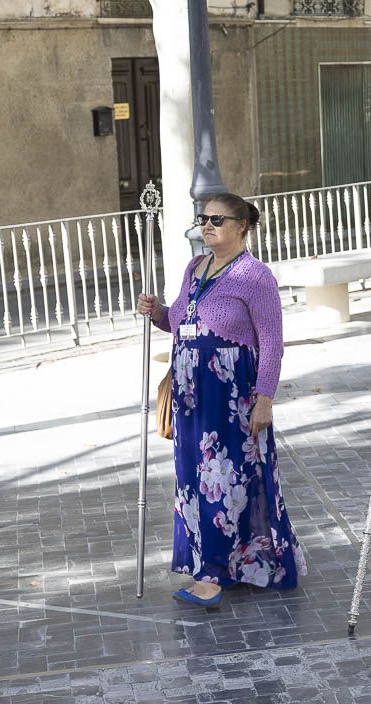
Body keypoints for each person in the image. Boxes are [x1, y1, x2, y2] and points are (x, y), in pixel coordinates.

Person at [137, 193, 304, 606]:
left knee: (228, 480)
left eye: (217, 219)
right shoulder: (195, 268)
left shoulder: (255, 276)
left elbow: (272, 342)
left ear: (241, 226)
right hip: (192, 394)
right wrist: (157, 311)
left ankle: (211, 574)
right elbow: (180, 319)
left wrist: (265, 397)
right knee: (196, 479)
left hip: (232, 394)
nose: (207, 226)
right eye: (203, 219)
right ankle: (232, 564)